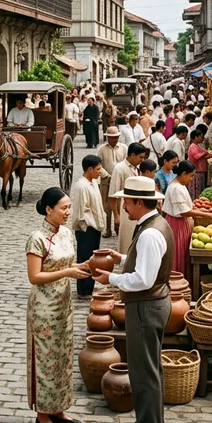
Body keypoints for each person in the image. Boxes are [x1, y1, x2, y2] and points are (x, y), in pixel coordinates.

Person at [92, 176, 174, 423]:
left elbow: (144, 279)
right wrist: (120, 259)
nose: (124, 205)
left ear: (140, 202)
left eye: (127, 200)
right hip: (150, 304)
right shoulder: (153, 224)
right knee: (147, 368)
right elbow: (145, 262)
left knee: (145, 371)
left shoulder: (150, 232)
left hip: (146, 306)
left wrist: (112, 279)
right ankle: (146, 420)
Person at [26, 188, 89, 423]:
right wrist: (68, 273)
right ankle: (43, 414)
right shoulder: (37, 238)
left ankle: (59, 408)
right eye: (63, 208)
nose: (67, 212)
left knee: (63, 358)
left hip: (64, 305)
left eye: (69, 207)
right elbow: (35, 276)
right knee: (46, 361)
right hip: (43, 309)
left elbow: (67, 263)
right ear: (48, 209)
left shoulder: (66, 233)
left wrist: (81, 267)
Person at [163, 160, 212, 278]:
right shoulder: (176, 188)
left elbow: (185, 206)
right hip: (177, 224)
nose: (192, 179)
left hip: (181, 223)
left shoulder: (179, 185)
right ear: (183, 174)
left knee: (182, 252)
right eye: (191, 176)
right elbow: (183, 211)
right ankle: (178, 280)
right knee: (179, 253)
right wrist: (207, 215)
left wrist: (202, 210)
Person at [70, 156, 106, 298]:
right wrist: (84, 229)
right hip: (86, 229)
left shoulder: (93, 183)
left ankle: (89, 287)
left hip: (94, 227)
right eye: (98, 169)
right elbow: (80, 211)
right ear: (89, 169)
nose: (100, 171)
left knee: (92, 259)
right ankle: (83, 290)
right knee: (84, 259)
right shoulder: (81, 186)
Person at [110, 143, 149, 252]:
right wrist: (116, 216)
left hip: (136, 210)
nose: (142, 160)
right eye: (140, 157)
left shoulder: (136, 168)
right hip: (125, 210)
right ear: (132, 155)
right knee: (126, 241)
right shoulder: (119, 169)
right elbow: (112, 195)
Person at [99, 126, 127, 238]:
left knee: (120, 204)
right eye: (112, 137)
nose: (115, 139)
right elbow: (99, 165)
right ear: (107, 138)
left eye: (116, 137)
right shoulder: (101, 149)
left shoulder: (124, 148)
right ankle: (108, 229)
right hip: (106, 180)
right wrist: (107, 175)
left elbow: (126, 162)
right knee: (106, 205)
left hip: (120, 180)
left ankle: (118, 228)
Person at [187, 129, 212, 200]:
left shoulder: (197, 146)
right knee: (196, 190)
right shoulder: (193, 146)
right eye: (201, 137)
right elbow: (196, 156)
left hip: (200, 171)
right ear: (195, 137)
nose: (203, 138)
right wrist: (206, 152)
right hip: (197, 172)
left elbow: (203, 156)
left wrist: (210, 154)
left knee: (199, 189)